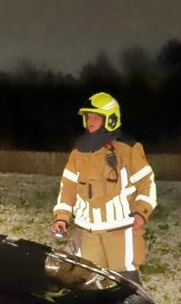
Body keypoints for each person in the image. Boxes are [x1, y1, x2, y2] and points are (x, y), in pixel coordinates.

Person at [51, 92, 156, 284]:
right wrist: (61, 217)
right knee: (86, 284)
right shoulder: (78, 151)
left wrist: (141, 213)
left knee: (126, 285)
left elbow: (147, 183)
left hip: (120, 231)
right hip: (87, 232)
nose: (90, 121)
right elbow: (68, 187)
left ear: (111, 119)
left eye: (96, 117)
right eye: (88, 117)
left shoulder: (128, 148)